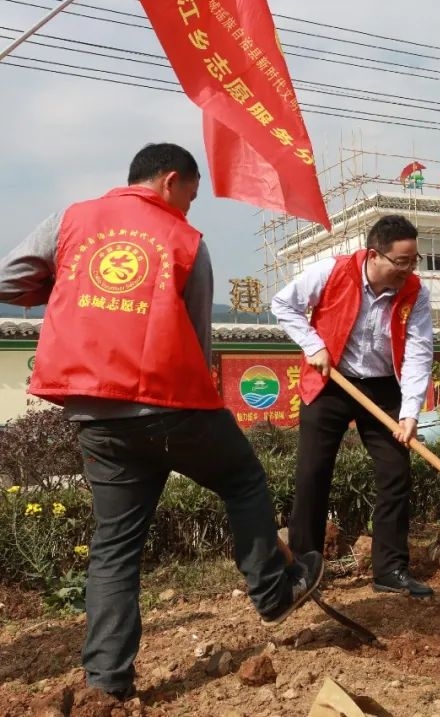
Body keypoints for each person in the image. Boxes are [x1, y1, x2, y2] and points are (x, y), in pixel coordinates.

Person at [0, 143, 323, 702]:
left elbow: (8, 282)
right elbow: (196, 346)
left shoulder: (69, 220)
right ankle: (272, 591)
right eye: (191, 197)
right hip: (172, 407)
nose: (190, 211)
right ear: (172, 181)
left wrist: (76, 289)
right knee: (242, 478)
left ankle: (107, 684)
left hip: (97, 415)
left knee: (114, 549)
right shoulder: (187, 243)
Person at [272, 214, 435, 597]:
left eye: (414, 261)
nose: (408, 270)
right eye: (401, 261)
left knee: (396, 472)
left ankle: (390, 569)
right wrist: (314, 345)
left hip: (381, 389)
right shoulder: (332, 271)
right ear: (375, 255)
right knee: (313, 473)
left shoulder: (415, 292)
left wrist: (410, 412)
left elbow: (418, 351)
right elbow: (284, 304)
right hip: (331, 381)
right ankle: (302, 569)